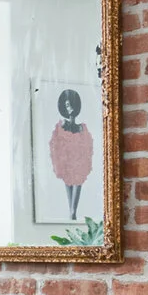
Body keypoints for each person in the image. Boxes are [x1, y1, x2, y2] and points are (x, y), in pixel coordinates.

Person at [48, 88, 93, 220]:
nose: (70, 107)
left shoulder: (82, 127)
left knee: (78, 182)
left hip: (78, 162)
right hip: (67, 161)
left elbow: (87, 146)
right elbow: (55, 145)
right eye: (68, 105)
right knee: (68, 183)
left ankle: (73, 213)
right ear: (64, 107)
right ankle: (71, 214)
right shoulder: (61, 127)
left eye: (72, 104)